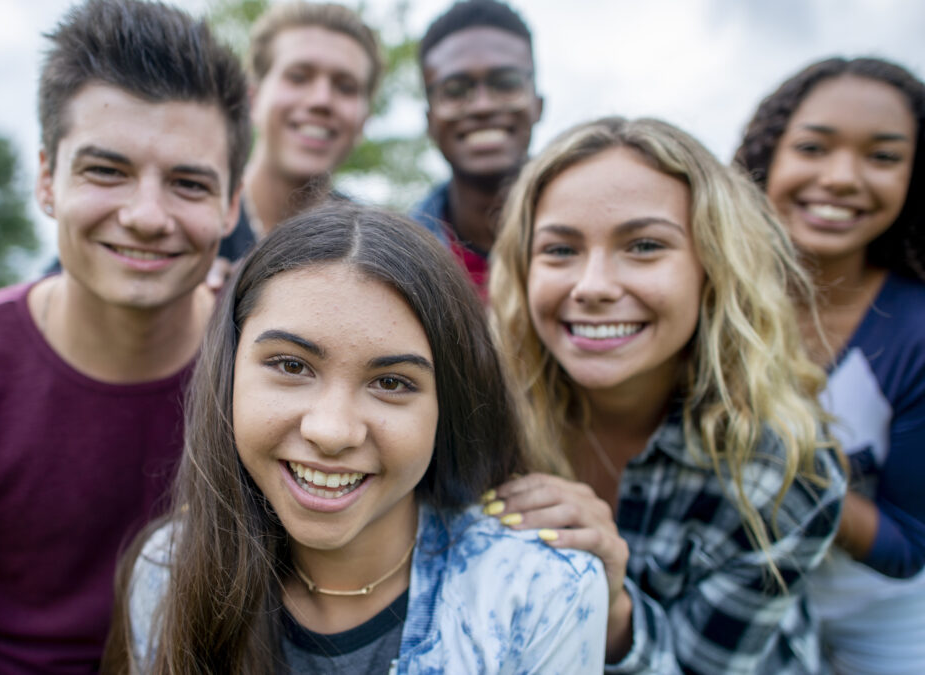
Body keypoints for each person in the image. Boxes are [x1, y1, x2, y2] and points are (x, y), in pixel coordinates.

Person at [0, 0, 249, 671]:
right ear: (45, 179)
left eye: (187, 182)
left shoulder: (272, 371)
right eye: (105, 170)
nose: (147, 216)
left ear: (231, 204)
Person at [104, 205, 608, 674]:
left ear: (447, 406)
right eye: (292, 366)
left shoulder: (543, 594)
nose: (332, 431)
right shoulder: (166, 574)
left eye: (391, 383)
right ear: (228, 372)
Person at [488, 117, 846, 673]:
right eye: (560, 250)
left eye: (645, 246)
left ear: (715, 268)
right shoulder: (480, 419)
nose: (594, 286)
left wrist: (612, 609)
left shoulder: (781, 471)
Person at [736, 57, 925, 674]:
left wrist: (782, 462)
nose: (841, 177)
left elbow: (908, 546)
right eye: (814, 147)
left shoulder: (916, 330)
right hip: (740, 609)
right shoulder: (708, 301)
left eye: (883, 156)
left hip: (883, 624)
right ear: (769, 158)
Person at [207, 1, 382, 288]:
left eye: (346, 86)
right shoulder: (194, 224)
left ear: (365, 119)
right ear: (252, 98)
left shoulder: (376, 251)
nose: (321, 100)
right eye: (298, 77)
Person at [410, 0, 543, 299]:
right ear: (430, 120)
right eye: (455, 90)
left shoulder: (598, 237)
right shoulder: (395, 262)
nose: (483, 106)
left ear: (538, 104)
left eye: (505, 84)